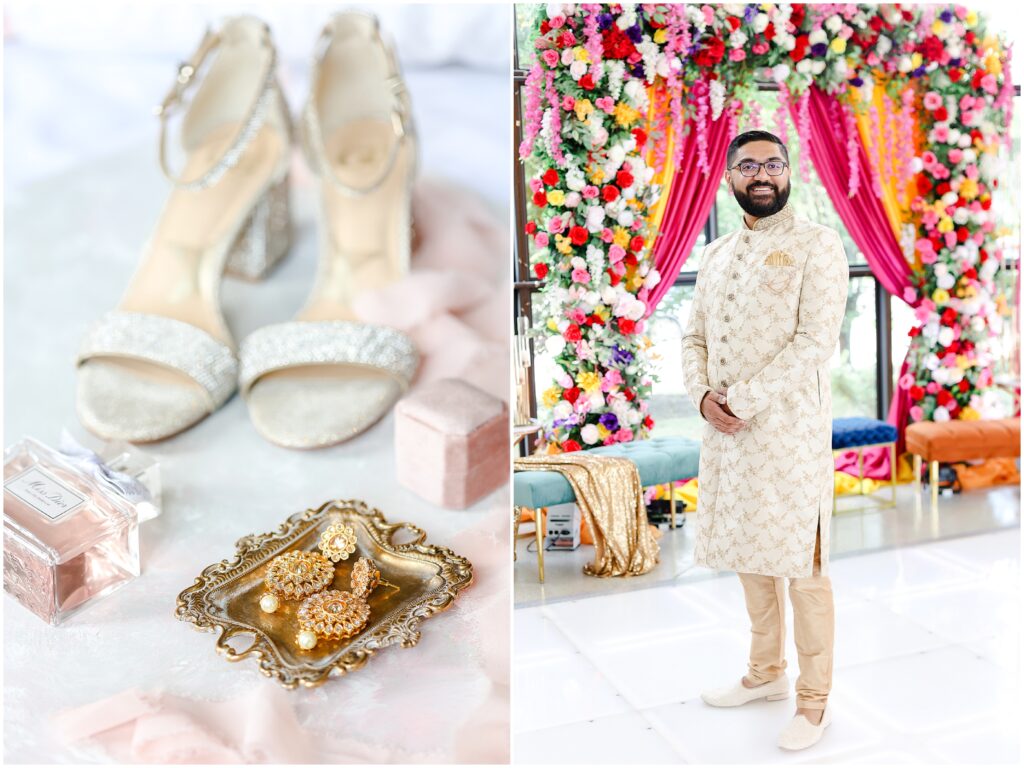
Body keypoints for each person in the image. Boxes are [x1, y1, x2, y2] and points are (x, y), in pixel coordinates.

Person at [680, 129, 850, 751]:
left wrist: (742, 400)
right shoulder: (718, 253)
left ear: (788, 173)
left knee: (805, 569)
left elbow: (815, 341)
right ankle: (765, 674)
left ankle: (814, 702)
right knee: (752, 559)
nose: (762, 175)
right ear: (729, 179)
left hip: (788, 436)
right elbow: (693, 336)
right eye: (748, 165)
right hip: (728, 435)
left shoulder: (817, 244)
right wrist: (702, 396)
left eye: (773, 164)